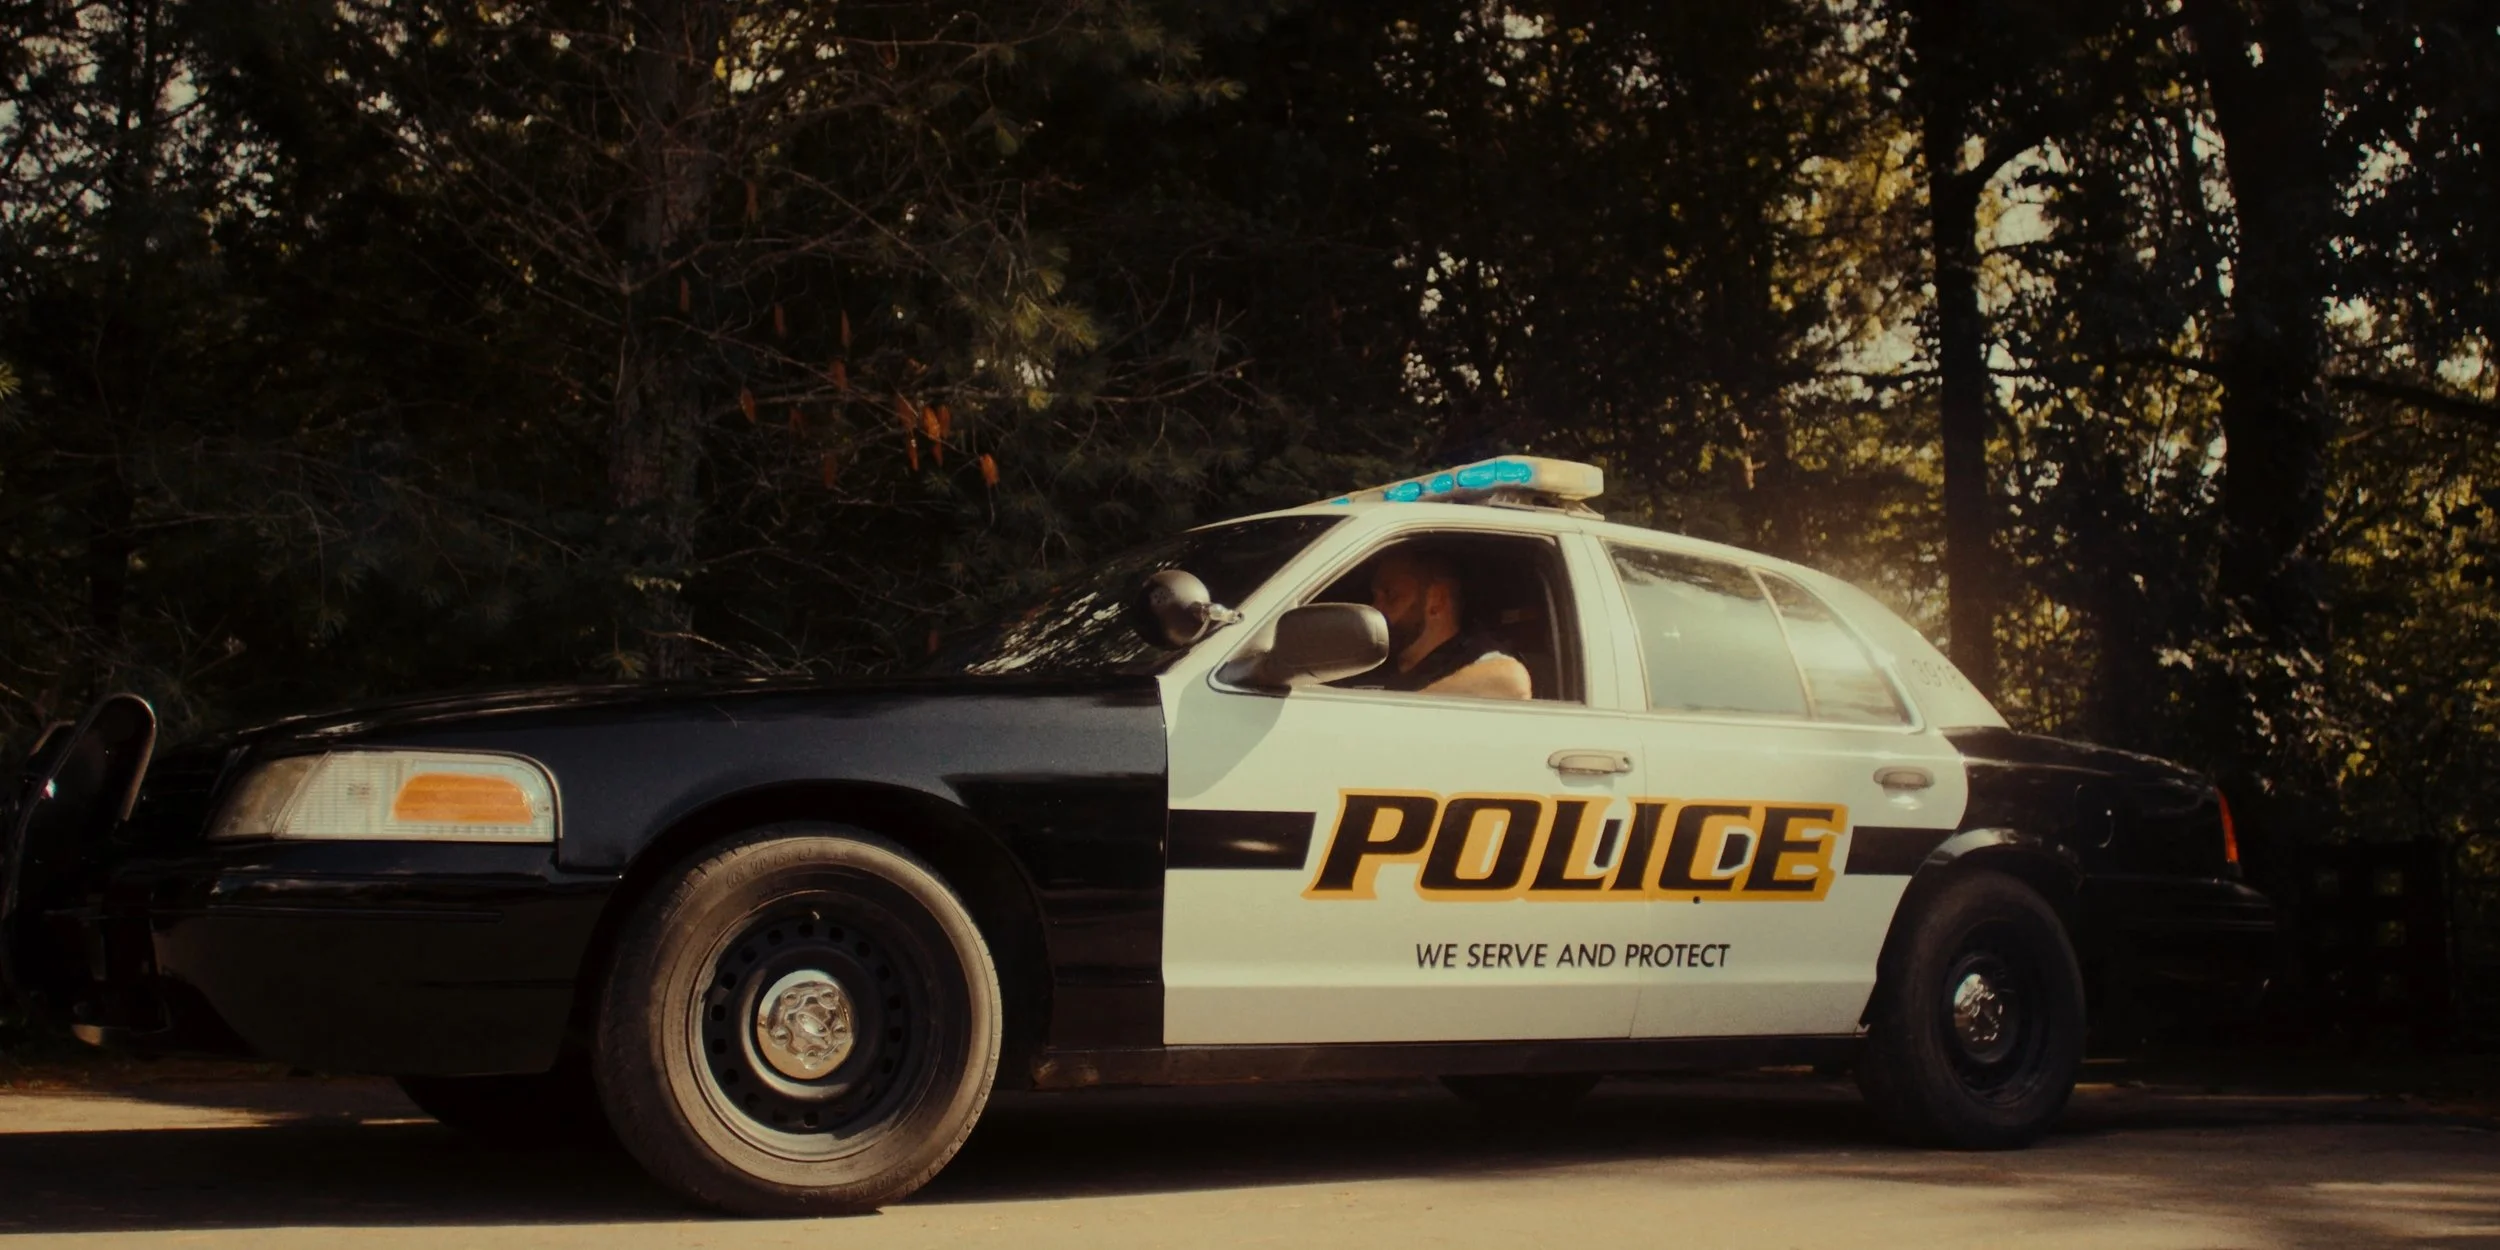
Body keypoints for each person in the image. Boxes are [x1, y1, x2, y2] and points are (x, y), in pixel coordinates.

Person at [1362, 546, 1535, 700]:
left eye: (1390, 596)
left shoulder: (1470, 657)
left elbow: (1512, 681)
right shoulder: (1368, 660)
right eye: (1375, 597)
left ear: (1437, 601)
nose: (1376, 608)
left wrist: (1406, 710)